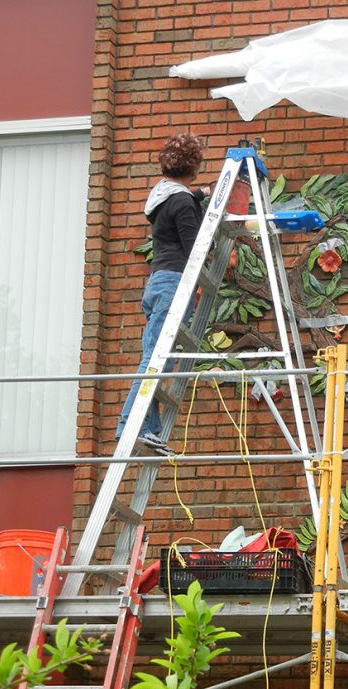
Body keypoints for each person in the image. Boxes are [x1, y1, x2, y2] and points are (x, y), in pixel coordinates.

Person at [116, 133, 210, 455]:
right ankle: (133, 424)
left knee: (158, 360)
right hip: (173, 283)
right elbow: (194, 247)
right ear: (193, 165)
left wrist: (201, 195)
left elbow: (179, 209)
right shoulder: (182, 201)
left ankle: (151, 429)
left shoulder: (164, 196)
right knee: (154, 361)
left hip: (158, 282)